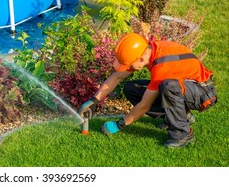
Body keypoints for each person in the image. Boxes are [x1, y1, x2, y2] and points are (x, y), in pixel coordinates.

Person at [79, 33, 217, 148]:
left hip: (203, 93)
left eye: (129, 64)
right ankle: (182, 116)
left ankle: (183, 134)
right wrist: (95, 100)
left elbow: (145, 105)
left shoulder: (162, 65)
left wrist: (119, 124)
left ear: (140, 58)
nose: (128, 67)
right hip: (185, 87)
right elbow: (117, 77)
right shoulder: (148, 50)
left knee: (168, 86)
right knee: (132, 88)